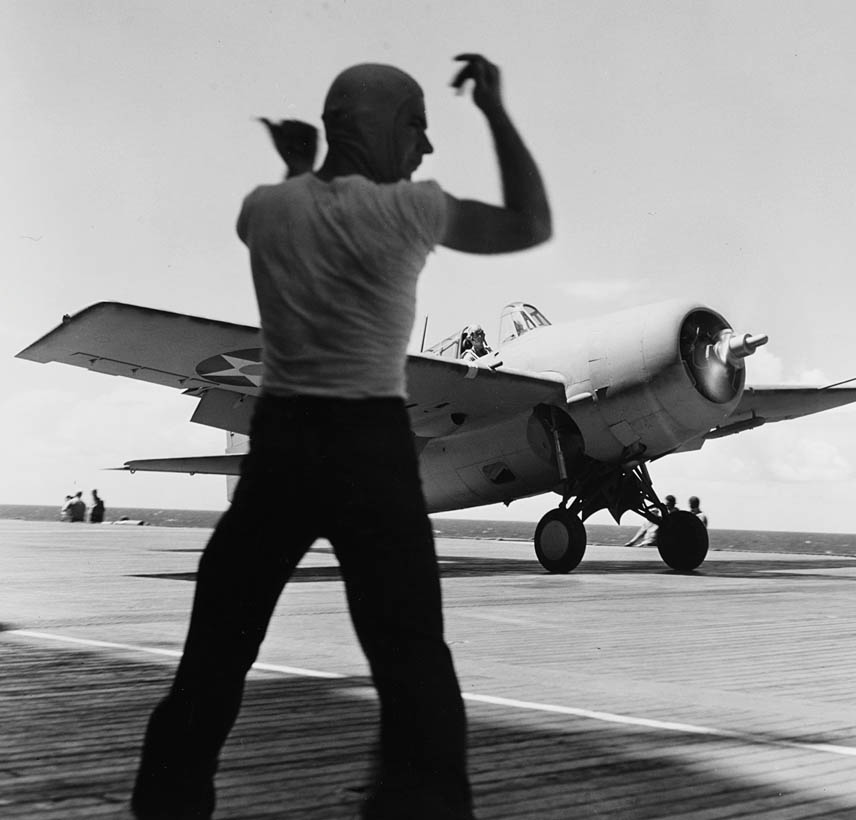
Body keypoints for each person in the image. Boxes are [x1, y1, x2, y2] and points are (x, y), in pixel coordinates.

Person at [131, 54, 551, 820]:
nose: (426, 148)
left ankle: (167, 806)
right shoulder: (412, 211)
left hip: (283, 450)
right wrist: (492, 107)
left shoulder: (266, 209)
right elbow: (531, 222)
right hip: (373, 448)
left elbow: (294, 202)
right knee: (414, 664)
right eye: (418, 125)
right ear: (381, 129)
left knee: (215, 660)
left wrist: (301, 166)